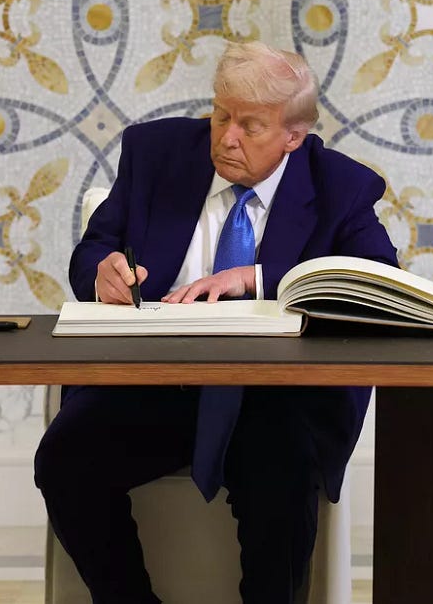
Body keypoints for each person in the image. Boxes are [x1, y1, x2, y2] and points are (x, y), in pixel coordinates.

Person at [34, 41, 397, 604]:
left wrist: (255, 277)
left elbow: (374, 278)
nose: (226, 137)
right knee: (64, 459)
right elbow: (96, 248)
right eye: (220, 114)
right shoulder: (154, 153)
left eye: (250, 126)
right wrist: (101, 270)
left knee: (283, 472)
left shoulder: (339, 186)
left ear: (293, 137)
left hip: (274, 396)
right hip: (154, 385)